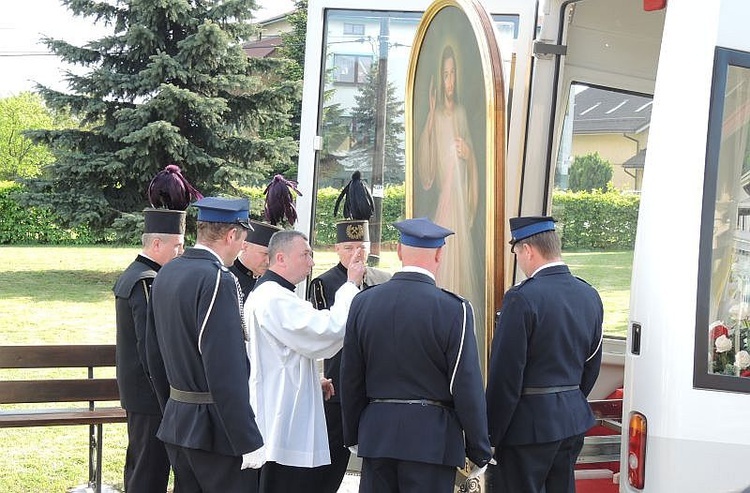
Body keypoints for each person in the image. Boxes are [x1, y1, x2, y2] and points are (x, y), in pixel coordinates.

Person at [340, 217, 492, 493]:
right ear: (439, 254)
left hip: (378, 435)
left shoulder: (363, 303)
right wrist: (479, 447)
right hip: (431, 440)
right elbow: (465, 384)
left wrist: (353, 432)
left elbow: (351, 376)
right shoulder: (453, 309)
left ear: (399, 251)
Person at [145, 197, 265, 492]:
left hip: (178, 422)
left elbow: (152, 353)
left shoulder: (168, 271)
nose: (241, 247)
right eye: (242, 239)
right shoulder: (218, 280)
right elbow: (226, 369)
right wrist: (246, 438)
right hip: (215, 432)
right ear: (231, 235)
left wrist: (173, 408)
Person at [485, 216, 604, 493]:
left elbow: (506, 375)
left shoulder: (521, 298)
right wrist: (568, 398)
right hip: (571, 419)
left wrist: (490, 434)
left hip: (528, 428)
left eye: (517, 253)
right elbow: (591, 363)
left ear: (528, 250)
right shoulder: (589, 294)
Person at [244, 229, 366, 492]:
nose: (311, 263)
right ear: (281, 258)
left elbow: (288, 353)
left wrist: (313, 379)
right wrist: (350, 285)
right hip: (283, 415)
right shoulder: (274, 298)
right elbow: (328, 330)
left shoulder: (274, 294)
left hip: (281, 402)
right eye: (305, 255)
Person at [307, 220, 392, 492]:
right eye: (349, 247)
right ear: (337, 249)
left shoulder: (383, 280)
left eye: (361, 247)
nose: (356, 253)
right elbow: (327, 330)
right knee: (333, 458)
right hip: (340, 383)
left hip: (376, 382)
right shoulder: (324, 283)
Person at [113, 208, 185, 493]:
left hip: (142, 393)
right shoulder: (145, 281)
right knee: (149, 470)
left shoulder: (140, 275)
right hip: (149, 394)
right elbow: (149, 347)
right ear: (157, 244)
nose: (182, 251)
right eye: (177, 244)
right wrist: (166, 396)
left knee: (143, 464)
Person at [417, 44, 480, 308]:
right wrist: (431, 114)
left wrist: (467, 153)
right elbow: (426, 167)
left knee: (459, 259)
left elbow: (471, 155)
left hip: (459, 197)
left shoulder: (462, 114)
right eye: (445, 74)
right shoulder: (437, 116)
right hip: (444, 199)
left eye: (453, 73)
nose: (450, 80)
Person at [229, 219, 282, 299]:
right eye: (264, 254)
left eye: (272, 255)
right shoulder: (226, 277)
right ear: (245, 247)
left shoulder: (270, 285)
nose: (268, 261)